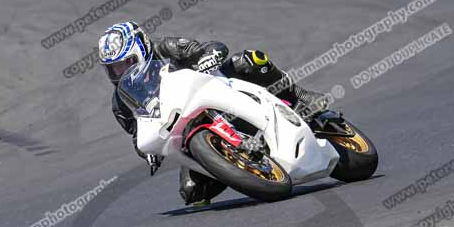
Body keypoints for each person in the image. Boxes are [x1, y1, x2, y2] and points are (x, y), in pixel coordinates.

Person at [99, 21, 330, 206]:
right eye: (113, 68)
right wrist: (147, 153)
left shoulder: (166, 48)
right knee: (192, 193)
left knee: (248, 60)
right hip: (188, 131)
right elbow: (136, 133)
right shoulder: (121, 103)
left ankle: (299, 96)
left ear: (142, 49)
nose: (120, 71)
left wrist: (207, 58)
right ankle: (241, 164)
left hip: (219, 91)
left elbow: (212, 47)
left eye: (125, 63)